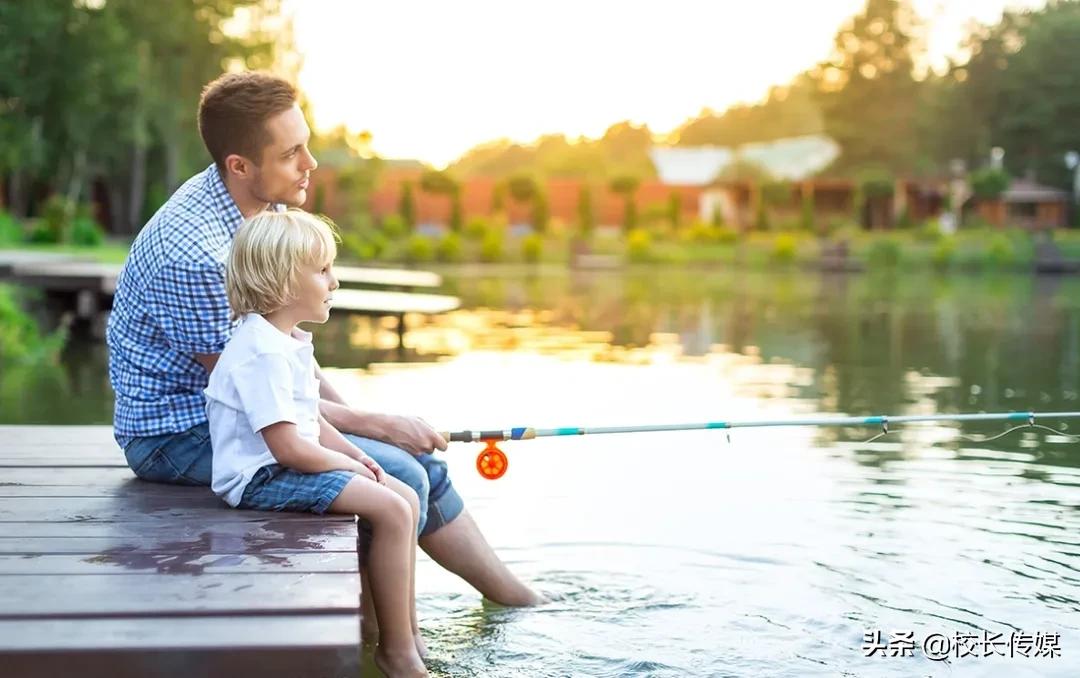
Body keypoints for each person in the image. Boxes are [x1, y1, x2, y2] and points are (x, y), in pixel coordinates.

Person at [106, 71, 541, 610]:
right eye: (293, 153)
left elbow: (286, 357)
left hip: (253, 407)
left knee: (416, 463)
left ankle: (512, 600)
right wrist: (374, 427)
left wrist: (363, 421)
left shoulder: (264, 205)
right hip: (177, 433)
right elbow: (254, 388)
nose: (310, 164)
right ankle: (379, 639)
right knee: (398, 471)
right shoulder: (196, 256)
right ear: (240, 166)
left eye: (306, 145)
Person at [206, 209, 426, 676]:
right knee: (391, 509)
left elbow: (311, 420)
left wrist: (358, 454)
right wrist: (346, 469)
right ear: (284, 283)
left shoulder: (287, 341)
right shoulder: (260, 352)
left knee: (403, 495)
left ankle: (402, 631)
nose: (335, 282)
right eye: (323, 270)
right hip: (258, 478)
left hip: (284, 463)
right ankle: (397, 653)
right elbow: (290, 448)